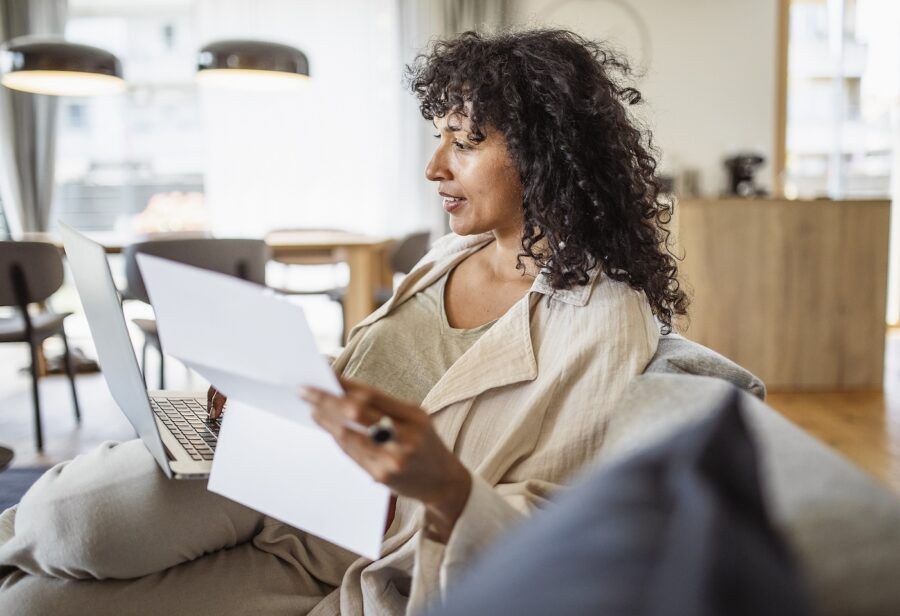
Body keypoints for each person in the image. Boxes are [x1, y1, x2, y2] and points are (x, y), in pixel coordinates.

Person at [0, 28, 687, 615]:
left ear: (545, 155)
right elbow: (372, 373)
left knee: (29, 601)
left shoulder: (605, 318)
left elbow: (556, 526)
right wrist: (272, 388)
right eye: (437, 137)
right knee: (69, 522)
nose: (434, 165)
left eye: (464, 142)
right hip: (285, 453)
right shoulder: (451, 253)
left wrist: (443, 484)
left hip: (353, 531)